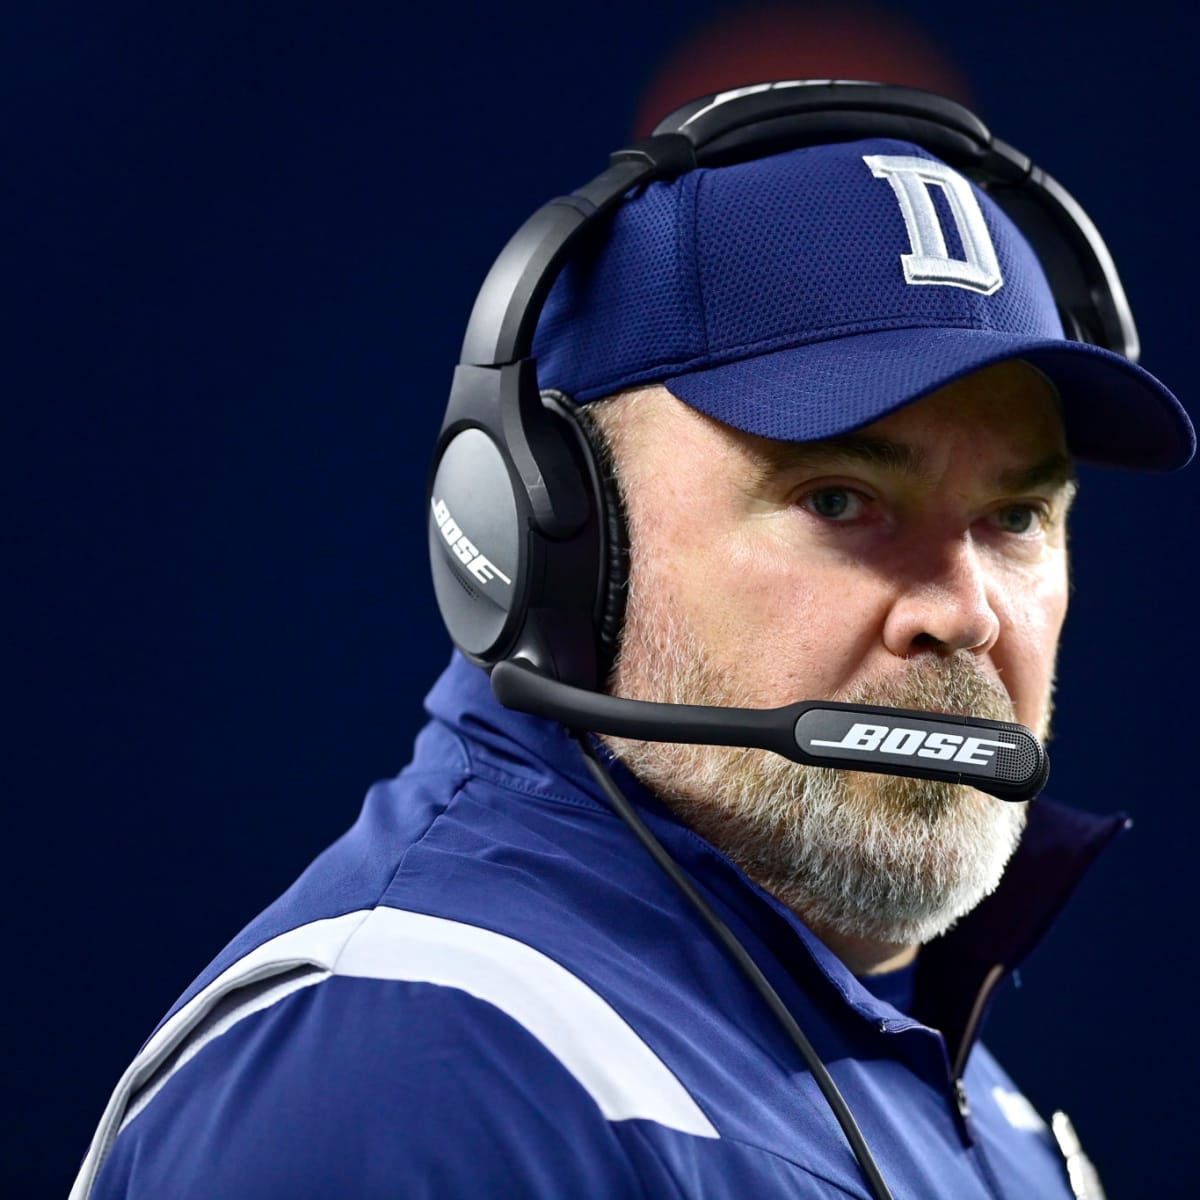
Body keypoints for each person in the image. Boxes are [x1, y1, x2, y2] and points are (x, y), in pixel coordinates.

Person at [71, 82, 1192, 1200]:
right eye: (841, 501)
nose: (964, 612)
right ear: (554, 543)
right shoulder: (407, 1076)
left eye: (1015, 518)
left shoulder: (949, 1080)